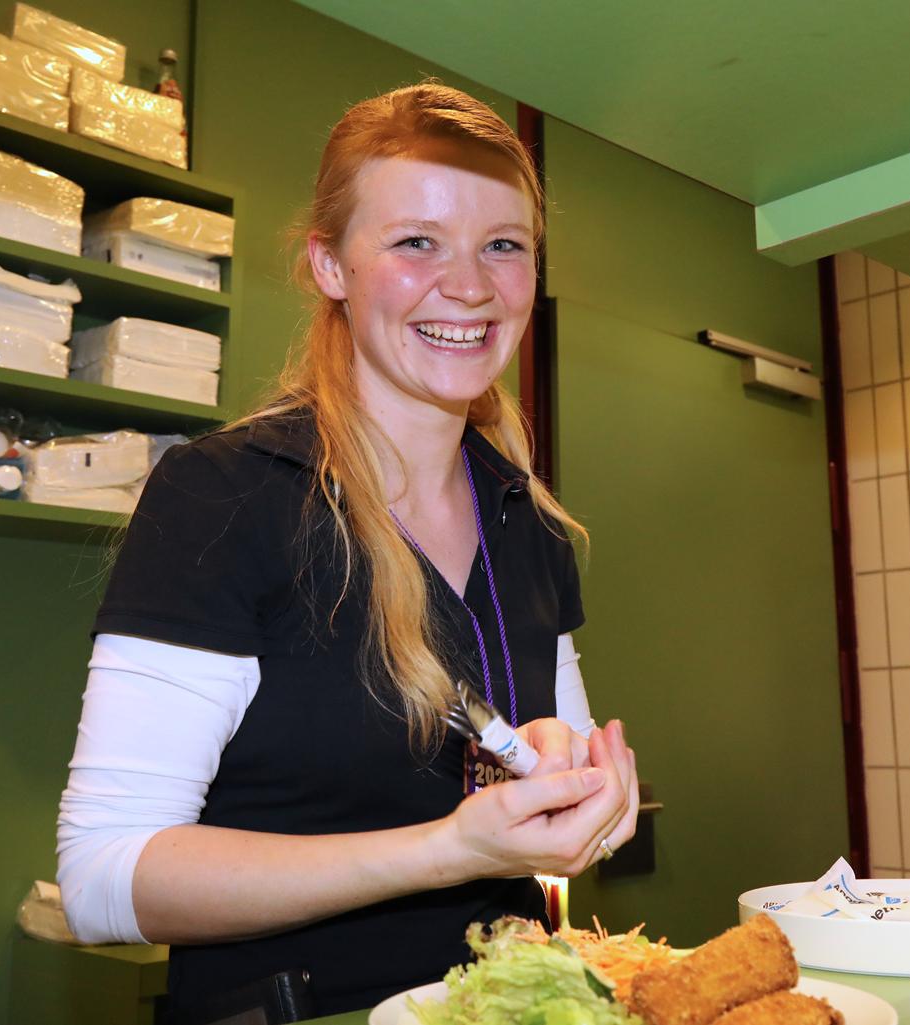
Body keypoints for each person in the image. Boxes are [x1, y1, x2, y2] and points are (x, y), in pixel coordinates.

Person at [57, 82, 639, 1022]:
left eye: (503, 245)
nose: (470, 286)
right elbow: (103, 880)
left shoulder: (526, 519)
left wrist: (585, 797)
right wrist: (448, 850)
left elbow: (550, 798)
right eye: (416, 242)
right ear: (329, 264)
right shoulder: (226, 495)